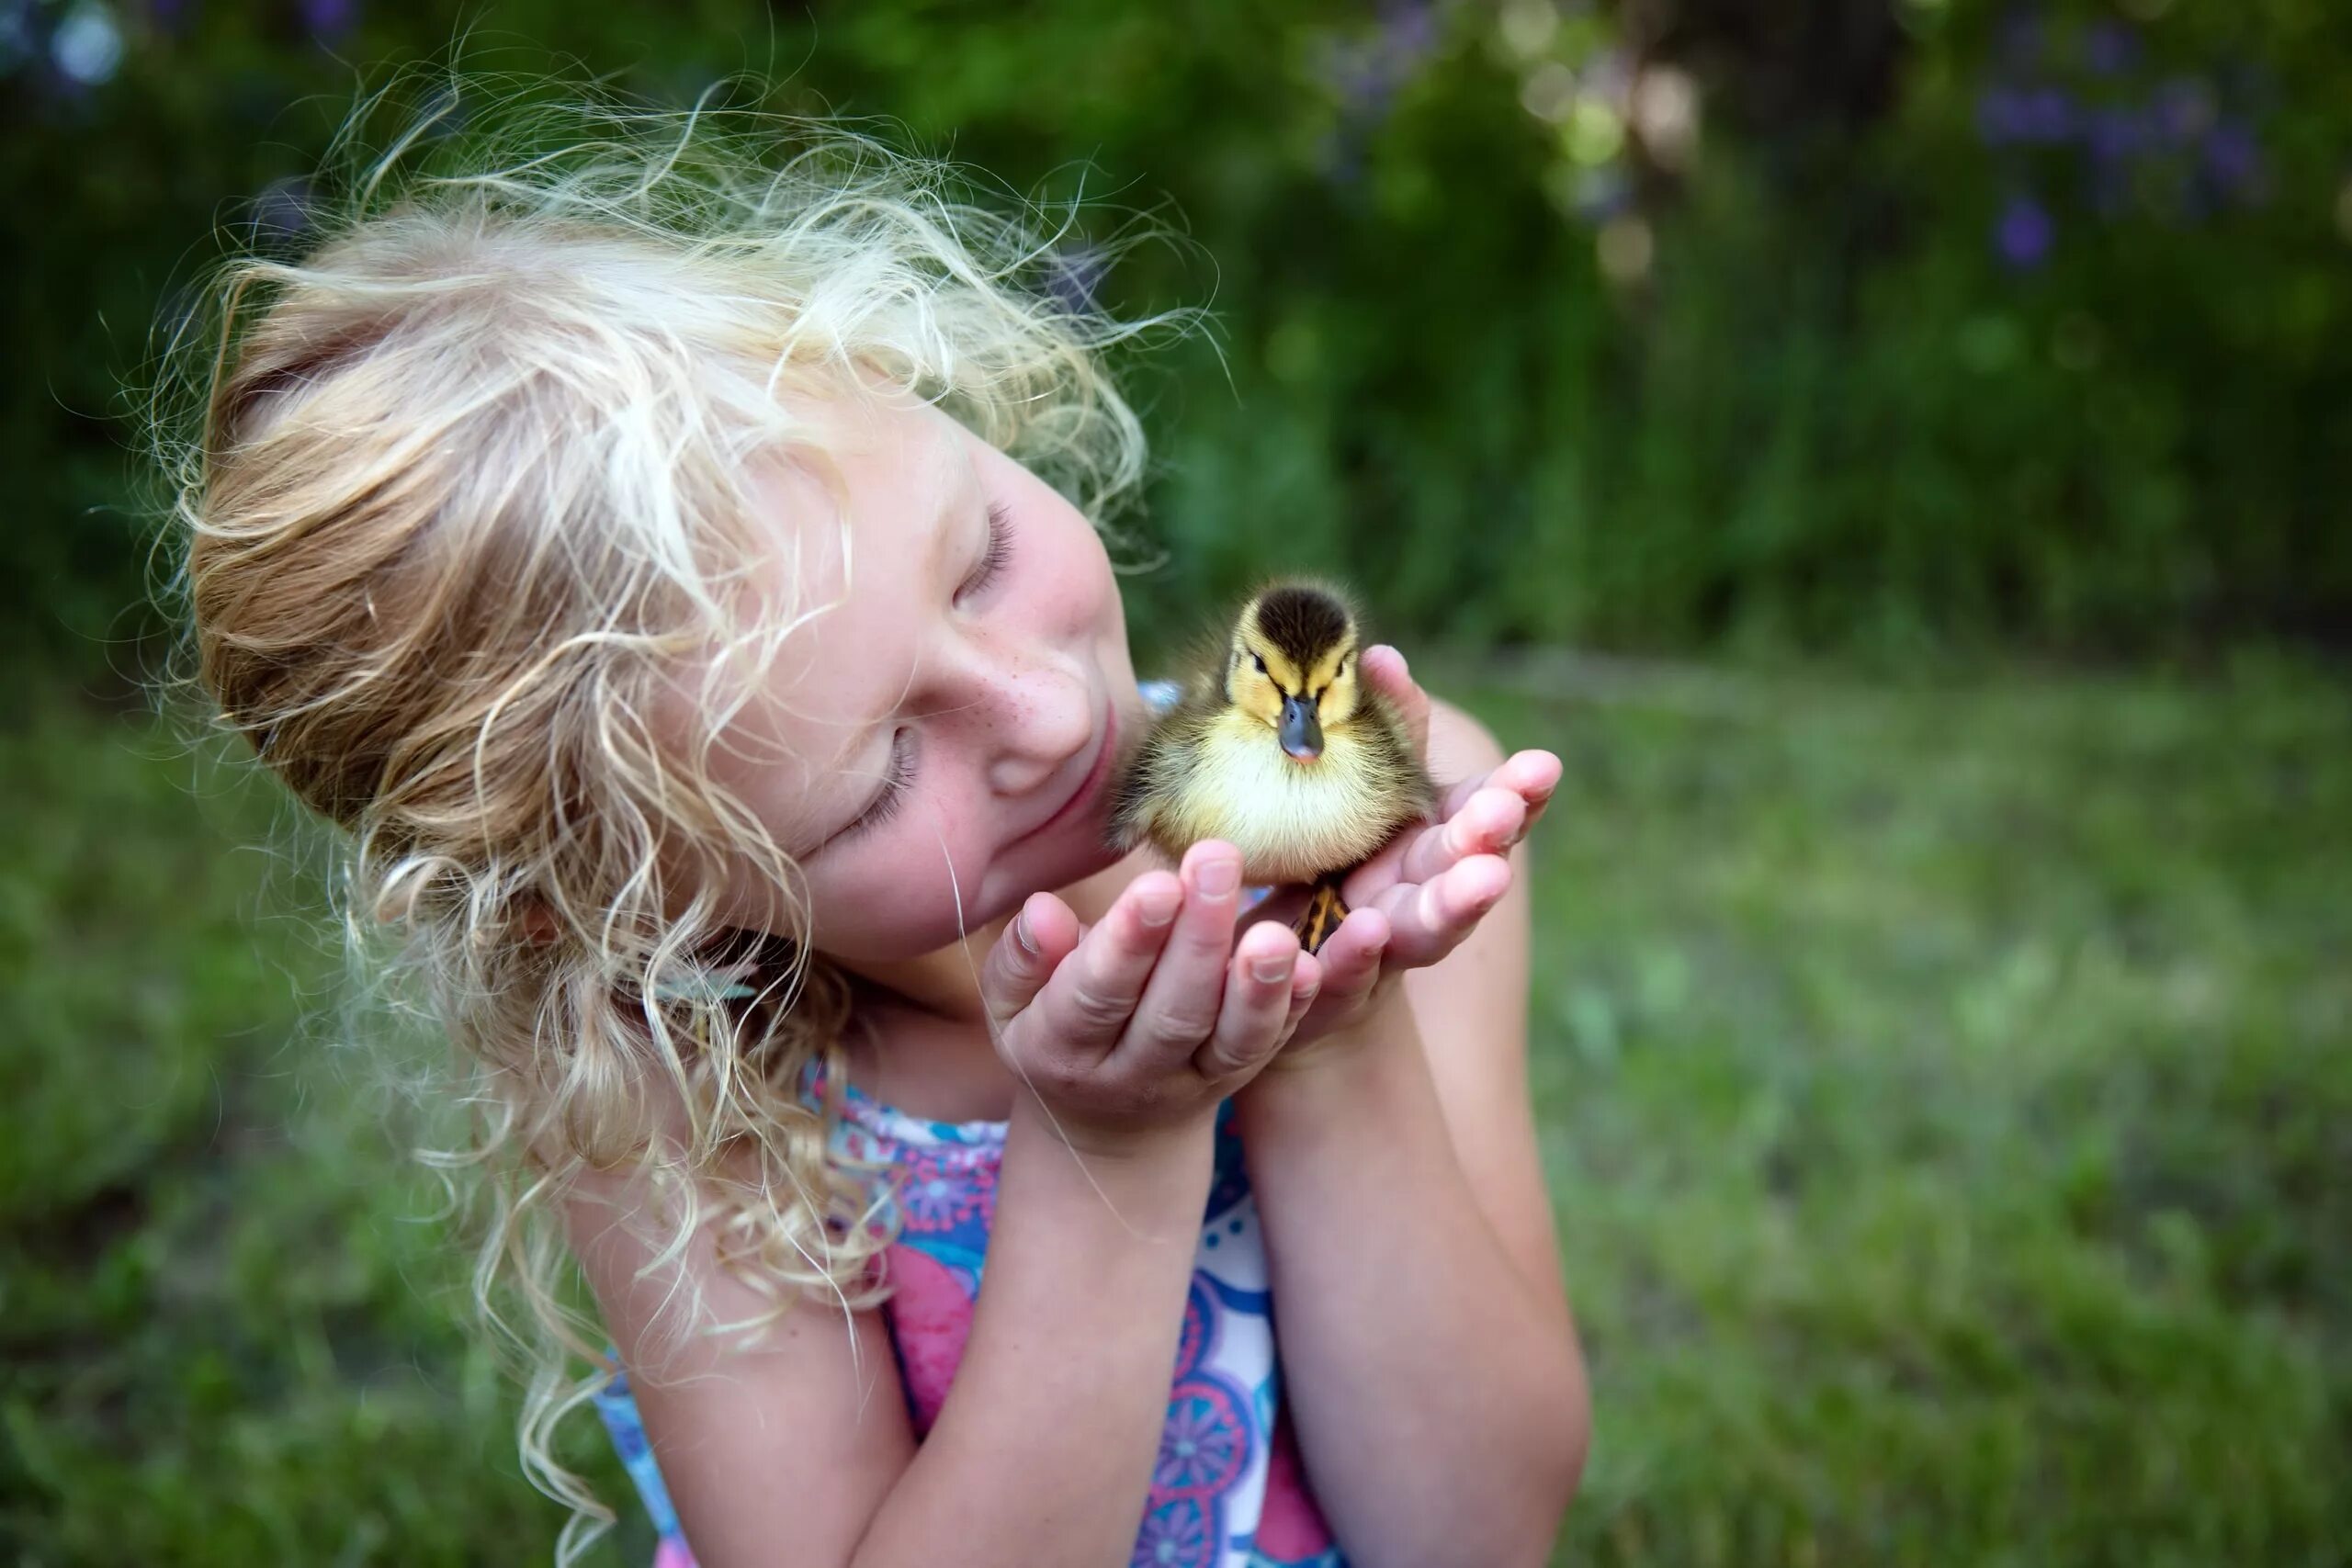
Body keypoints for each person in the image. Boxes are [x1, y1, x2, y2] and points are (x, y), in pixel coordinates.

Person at [156, 85, 1589, 1568]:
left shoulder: (1391, 822)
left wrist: (1332, 1030)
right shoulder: (683, 1096)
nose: (1039, 714)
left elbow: (1478, 1529)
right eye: (884, 776)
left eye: (978, 561)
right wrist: (1113, 1147)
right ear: (619, 909)